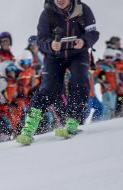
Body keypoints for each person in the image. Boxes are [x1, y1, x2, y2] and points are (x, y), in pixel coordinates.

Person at [17, 0, 99, 144]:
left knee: (79, 81)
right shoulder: (46, 13)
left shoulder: (83, 9)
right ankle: (29, 128)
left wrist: (84, 41)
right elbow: (41, 39)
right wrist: (50, 45)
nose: (60, 0)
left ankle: (72, 122)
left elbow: (93, 33)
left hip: (78, 54)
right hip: (54, 56)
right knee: (49, 88)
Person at [94, 48, 119, 120]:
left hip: (114, 91)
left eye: (111, 57)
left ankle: (111, 122)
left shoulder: (113, 67)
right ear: (104, 57)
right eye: (107, 57)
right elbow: (99, 77)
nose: (109, 59)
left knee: (112, 108)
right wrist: (104, 82)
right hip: (106, 90)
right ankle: (103, 122)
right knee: (107, 108)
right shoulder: (101, 66)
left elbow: (116, 79)